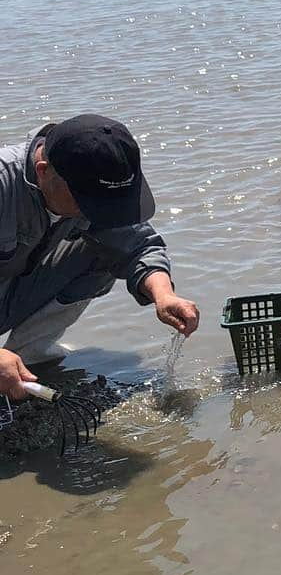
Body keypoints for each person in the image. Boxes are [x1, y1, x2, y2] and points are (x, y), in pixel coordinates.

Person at [0, 115, 199, 401]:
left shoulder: (89, 179)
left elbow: (138, 244)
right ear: (43, 172)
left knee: (102, 252)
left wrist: (164, 296)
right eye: (87, 204)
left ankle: (27, 362)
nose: (92, 214)